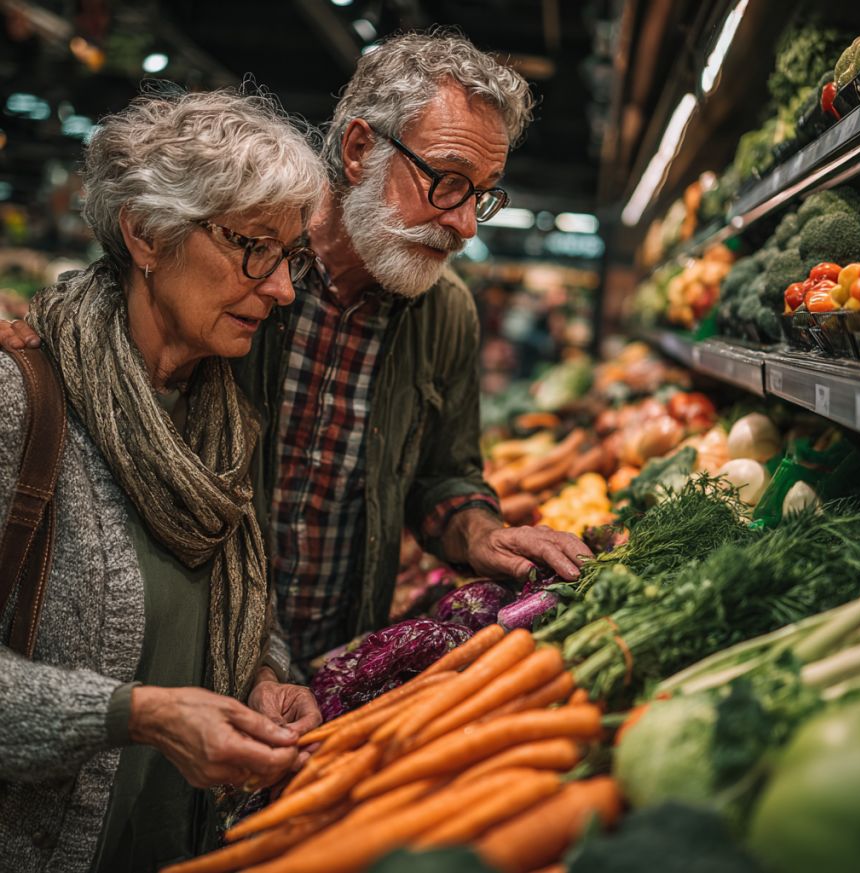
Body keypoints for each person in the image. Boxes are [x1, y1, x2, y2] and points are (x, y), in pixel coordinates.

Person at [1, 31, 594, 673]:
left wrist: (480, 533)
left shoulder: (445, 314)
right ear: (360, 147)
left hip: (336, 661)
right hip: (193, 651)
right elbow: (113, 316)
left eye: (481, 193)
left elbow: (443, 474)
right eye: (447, 181)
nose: (465, 223)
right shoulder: (239, 268)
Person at [0, 88, 325, 873]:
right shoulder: (20, 401)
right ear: (146, 234)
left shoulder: (222, 420)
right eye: (254, 247)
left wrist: (262, 670)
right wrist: (135, 714)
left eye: (293, 257)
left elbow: (218, 601)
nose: (281, 289)